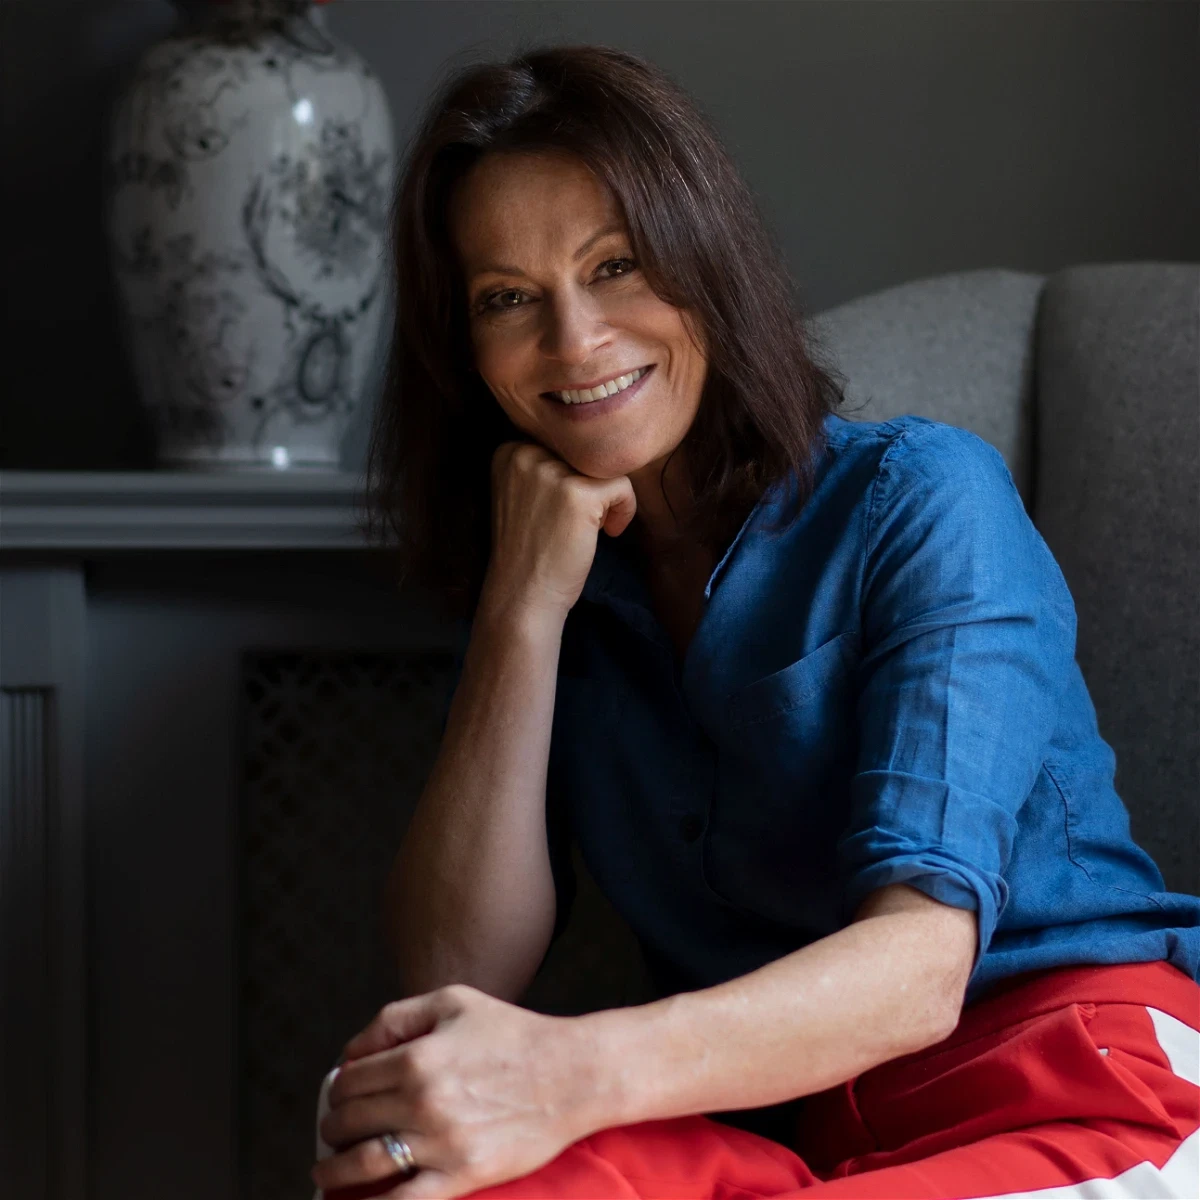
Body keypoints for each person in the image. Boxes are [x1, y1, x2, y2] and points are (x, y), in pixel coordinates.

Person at [310, 43, 1200, 1200]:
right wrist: (522, 609)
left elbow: (920, 971)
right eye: (508, 298)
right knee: (421, 1166)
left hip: (1069, 1086)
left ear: (705, 265)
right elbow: (457, 970)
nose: (573, 340)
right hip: (785, 1142)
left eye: (616, 265)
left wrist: (570, 1074)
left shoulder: (924, 499)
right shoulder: (562, 585)